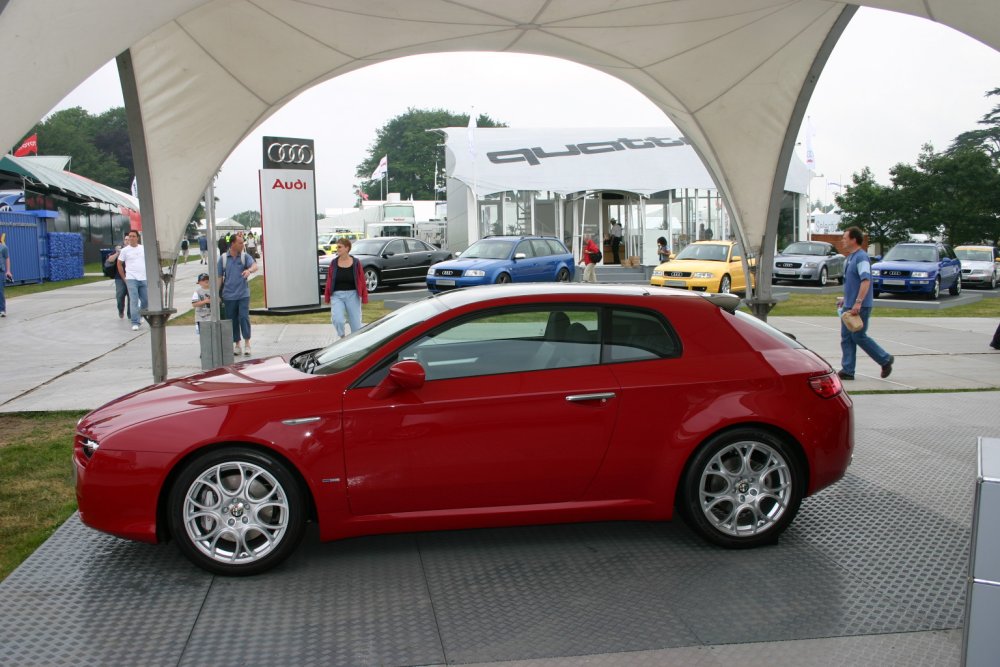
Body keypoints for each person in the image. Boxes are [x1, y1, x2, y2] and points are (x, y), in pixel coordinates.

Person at [837, 226, 893, 380]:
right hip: (849, 304)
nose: (842, 240)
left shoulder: (861, 257)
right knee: (846, 337)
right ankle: (848, 370)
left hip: (859, 305)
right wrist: (845, 299)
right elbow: (851, 283)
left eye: (845, 237)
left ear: (854, 239)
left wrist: (858, 302)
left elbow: (865, 281)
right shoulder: (850, 258)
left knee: (858, 336)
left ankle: (885, 359)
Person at [218, 232, 257, 356]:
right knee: (233, 320)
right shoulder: (223, 258)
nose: (242, 244)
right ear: (233, 244)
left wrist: (249, 270)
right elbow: (219, 277)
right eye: (240, 243)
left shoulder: (244, 256)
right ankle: (237, 344)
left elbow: (255, 266)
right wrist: (217, 294)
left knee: (244, 317)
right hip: (229, 295)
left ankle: (247, 344)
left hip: (243, 294)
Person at [323, 237, 368, 338]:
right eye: (337, 247)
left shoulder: (356, 263)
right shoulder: (333, 263)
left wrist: (364, 297)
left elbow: (362, 281)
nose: (337, 249)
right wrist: (327, 297)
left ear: (347, 248)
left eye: (340, 247)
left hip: (353, 295)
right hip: (337, 296)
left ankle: (355, 344)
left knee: (356, 326)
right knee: (337, 319)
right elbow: (329, 280)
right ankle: (342, 337)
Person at [117, 230, 148, 331]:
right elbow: (119, 264)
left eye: (133, 236)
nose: (131, 238)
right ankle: (135, 322)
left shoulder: (143, 249)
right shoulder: (125, 250)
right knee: (133, 300)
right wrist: (124, 277)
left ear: (137, 238)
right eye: (129, 236)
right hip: (131, 278)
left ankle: (142, 314)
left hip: (143, 278)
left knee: (145, 300)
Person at [105, 245, 130, 320]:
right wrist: (117, 253)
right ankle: (121, 310)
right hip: (119, 278)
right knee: (120, 295)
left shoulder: (133, 250)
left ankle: (131, 314)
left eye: (129, 239)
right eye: (126, 239)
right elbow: (110, 260)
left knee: (132, 297)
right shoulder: (120, 251)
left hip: (131, 277)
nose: (127, 241)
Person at [0, 235, 11, 317]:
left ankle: (2, 310)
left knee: (0, 291)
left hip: (0, 271)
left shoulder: (3, 247)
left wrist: (8, 271)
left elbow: (7, 258)